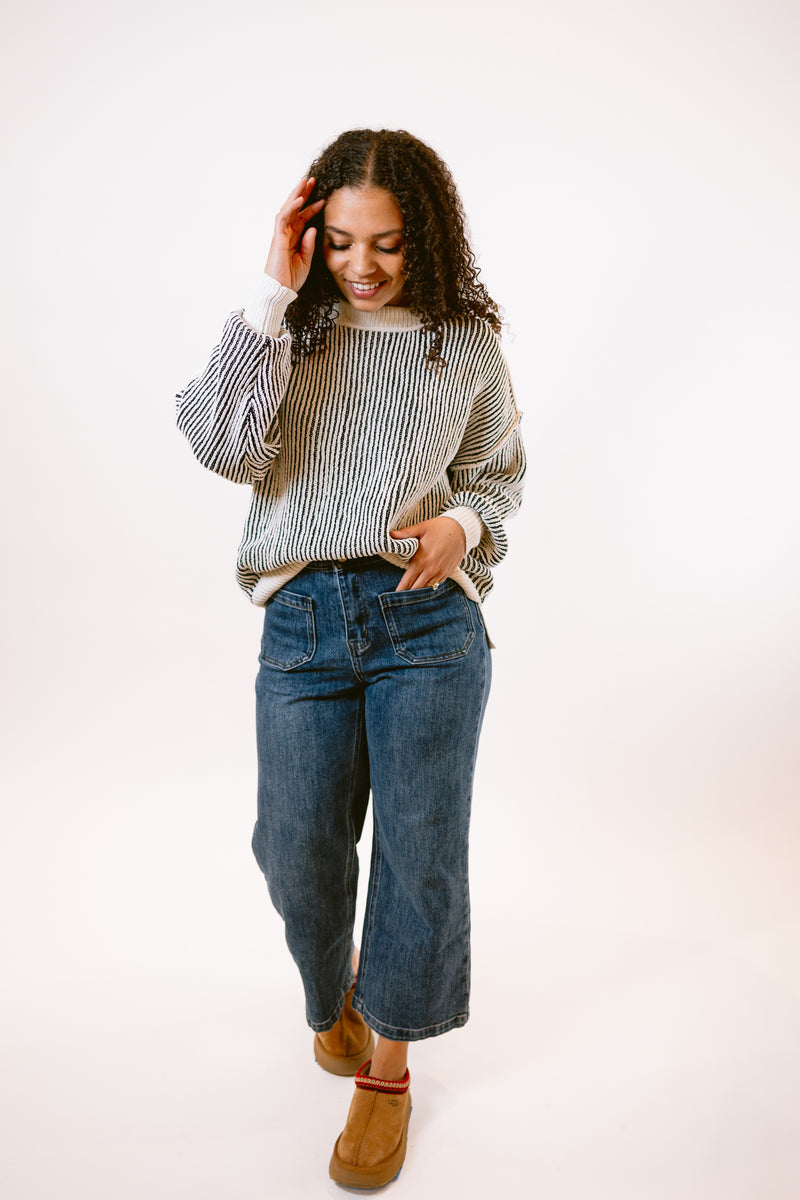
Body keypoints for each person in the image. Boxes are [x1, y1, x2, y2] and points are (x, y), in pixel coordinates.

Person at [176, 128, 525, 1189]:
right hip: (302, 625)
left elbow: (497, 478)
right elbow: (221, 446)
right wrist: (273, 296)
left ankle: (387, 1070)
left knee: (418, 855)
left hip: (426, 626)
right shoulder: (292, 332)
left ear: (426, 235)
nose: (363, 266)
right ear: (310, 236)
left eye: (386, 244)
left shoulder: (462, 344)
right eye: (338, 243)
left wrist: (461, 528)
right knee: (294, 847)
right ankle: (331, 991)